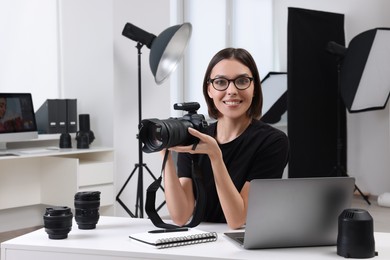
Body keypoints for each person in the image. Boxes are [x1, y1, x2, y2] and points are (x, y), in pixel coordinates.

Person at [162, 48, 289, 229]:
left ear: (254, 88)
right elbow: (181, 216)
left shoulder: (273, 142)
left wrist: (215, 156)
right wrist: (164, 154)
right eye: (221, 82)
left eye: (242, 81)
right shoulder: (195, 137)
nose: (231, 90)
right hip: (202, 239)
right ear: (209, 90)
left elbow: (237, 219)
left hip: (244, 241)